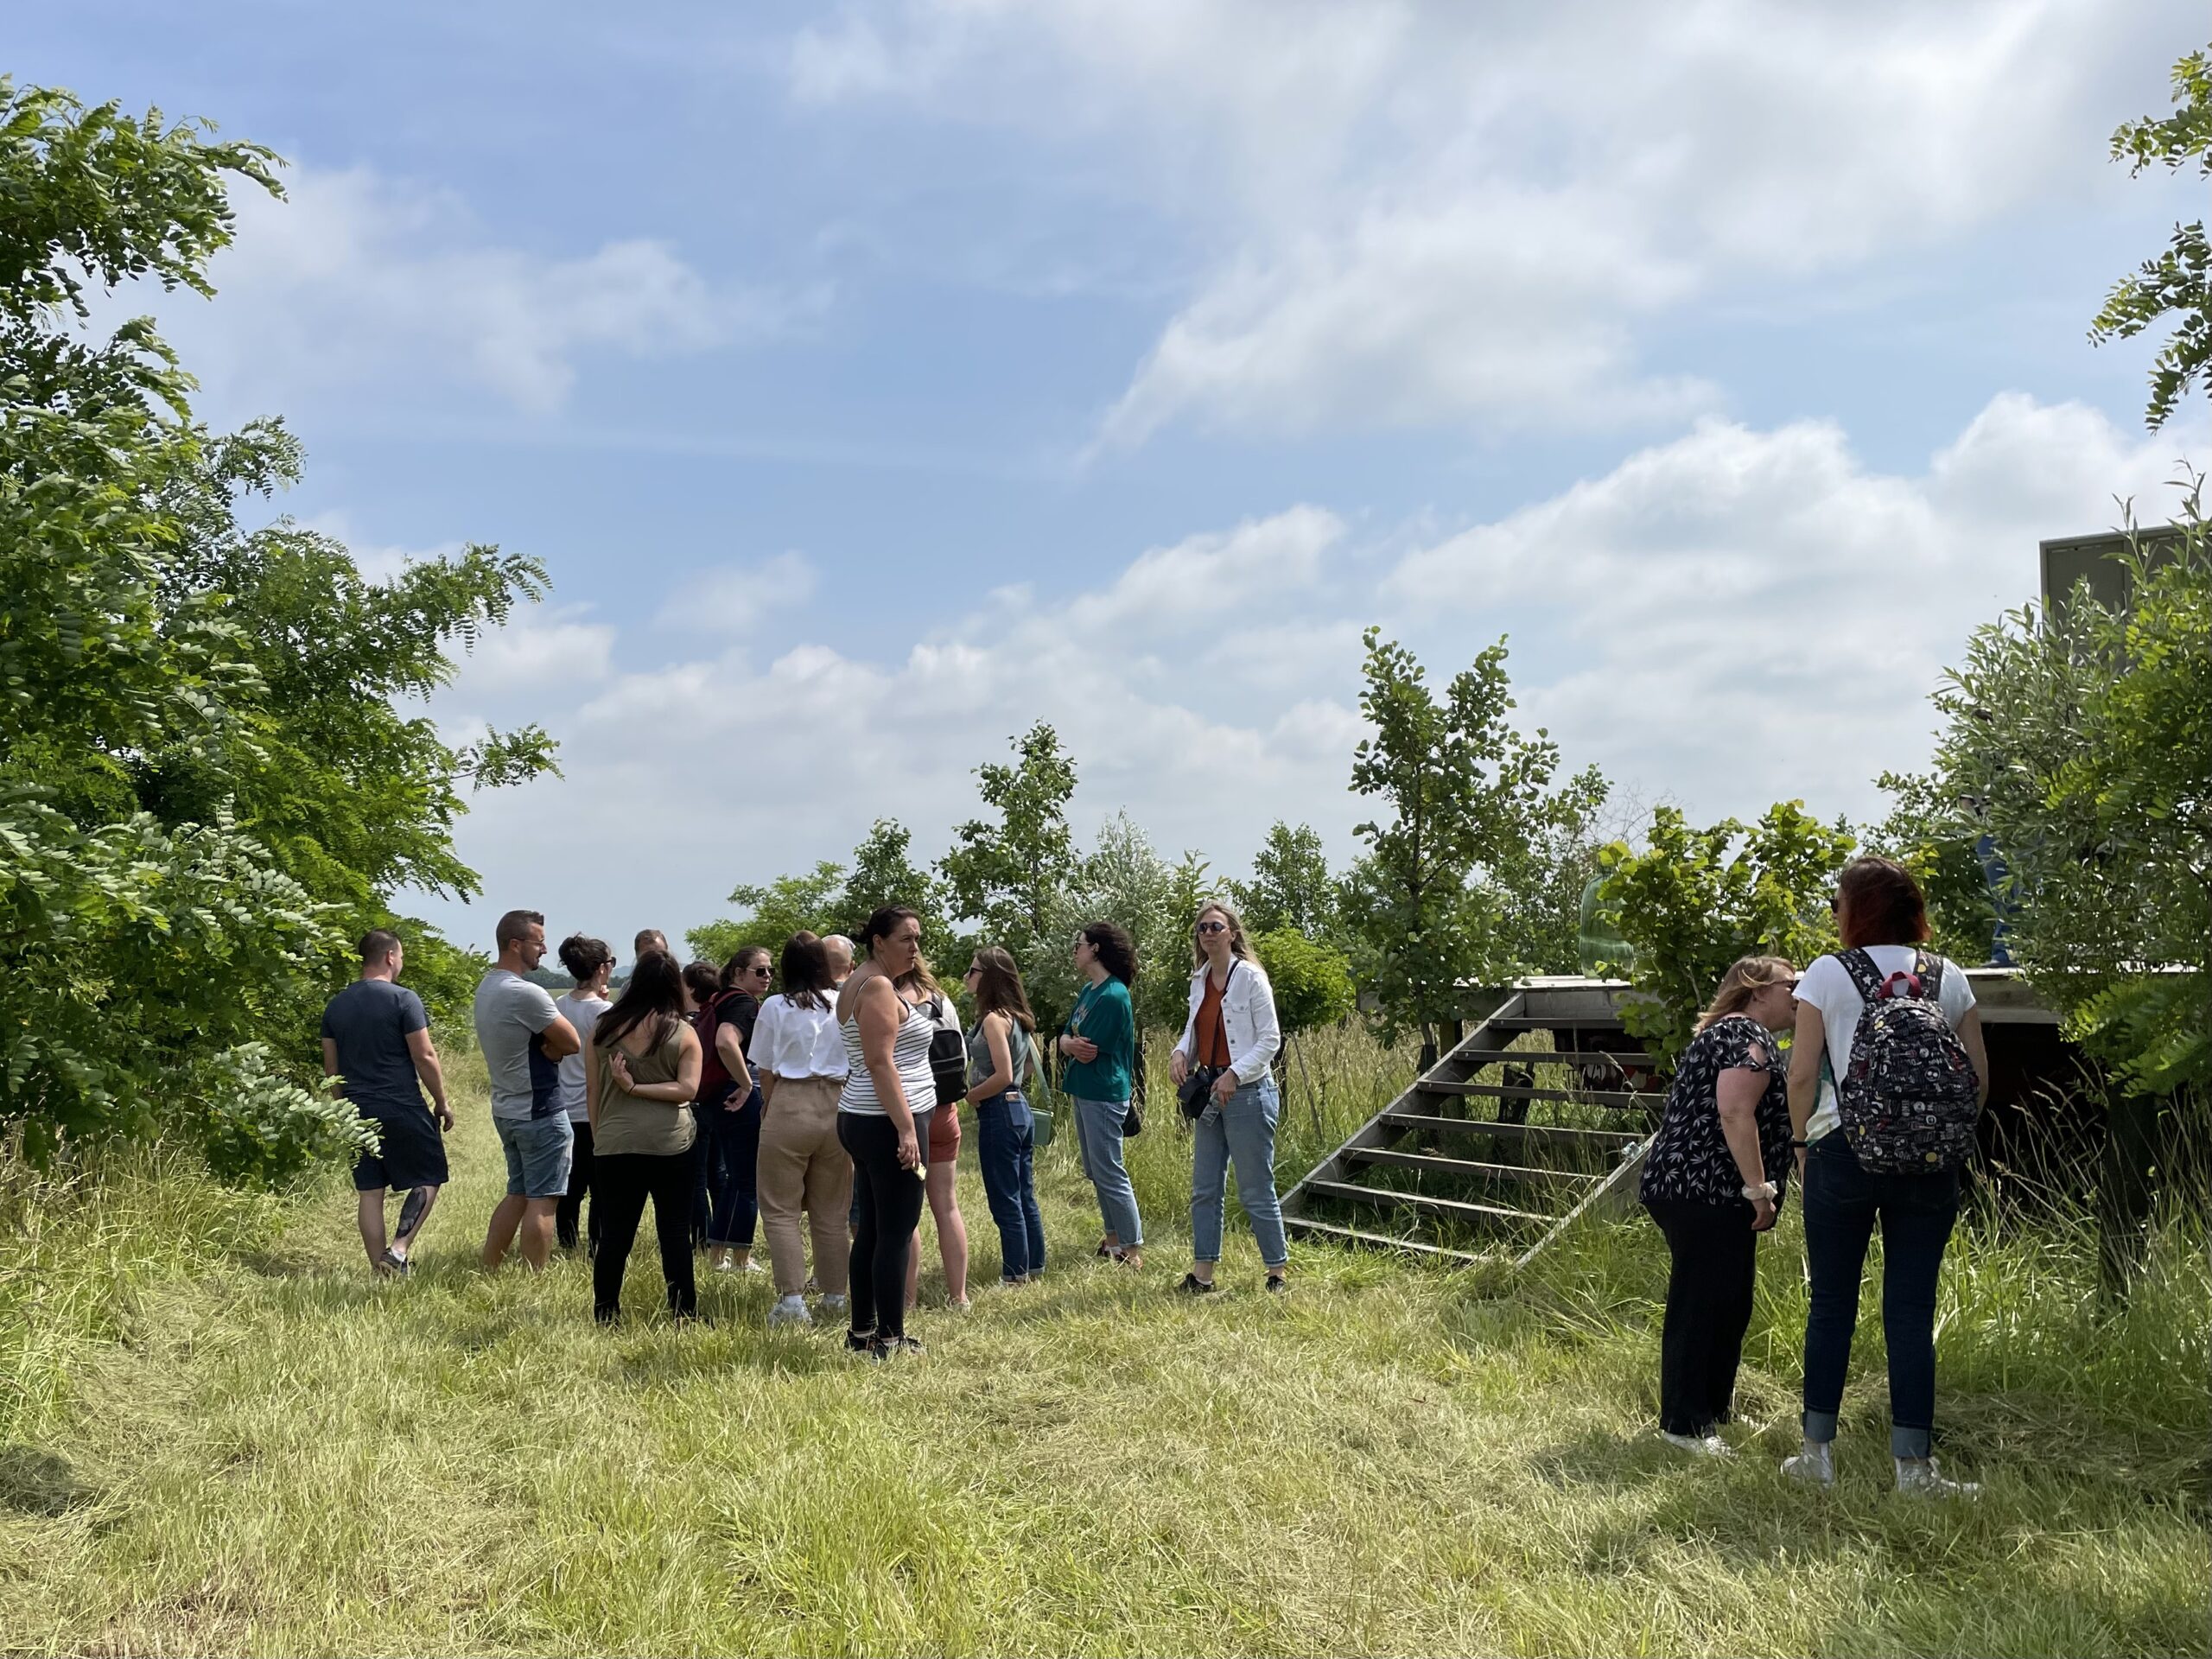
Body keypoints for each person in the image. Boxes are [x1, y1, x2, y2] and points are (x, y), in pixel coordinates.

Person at [1784, 856, 1990, 1497]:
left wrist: (1799, 1143)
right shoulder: (1948, 976)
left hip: (1840, 1150)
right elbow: (1977, 1079)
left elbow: (1800, 1073)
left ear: (1856, 909)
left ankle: (1817, 1456)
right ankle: (1914, 1469)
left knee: (1832, 1305)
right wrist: (1936, 1138)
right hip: (1929, 1163)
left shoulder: (1826, 973)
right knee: (1909, 1311)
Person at [1637, 956, 1799, 1454]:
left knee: (1729, 1300)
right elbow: (1734, 1110)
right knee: (1703, 1303)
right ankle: (1683, 1425)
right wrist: (1759, 1188)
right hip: (1705, 1191)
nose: (1799, 992)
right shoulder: (1743, 1036)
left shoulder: (1730, 1033)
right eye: (1790, 984)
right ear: (1757, 991)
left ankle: (1713, 1409)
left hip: (1696, 1190)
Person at [1168, 902, 1287, 1294]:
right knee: (1205, 1188)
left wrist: (1236, 1073)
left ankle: (1277, 1273)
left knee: (1254, 1188)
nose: (1207, 933)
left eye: (1215, 927)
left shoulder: (1251, 978)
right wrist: (1180, 1053)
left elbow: (1270, 1039)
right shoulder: (1199, 980)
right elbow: (1193, 1028)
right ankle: (1202, 1275)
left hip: (1249, 1092)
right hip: (1210, 1090)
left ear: (1232, 933)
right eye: (1201, 928)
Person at [836, 906, 938, 1358]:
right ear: (878, 941)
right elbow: (880, 1061)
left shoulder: (863, 982)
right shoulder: (876, 986)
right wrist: (906, 1130)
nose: (915, 948)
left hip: (867, 1116)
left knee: (875, 1229)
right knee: (896, 1230)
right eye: (905, 939)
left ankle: (862, 1333)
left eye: (917, 938)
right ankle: (890, 1339)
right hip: (887, 1120)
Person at [321, 929, 453, 1275]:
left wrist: (343, 1109)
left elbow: (331, 1069)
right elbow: (424, 1055)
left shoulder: (335, 1005)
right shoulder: (403, 999)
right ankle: (397, 1250)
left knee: (370, 1191)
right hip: (401, 1104)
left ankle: (381, 1268)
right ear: (390, 957)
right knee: (430, 1174)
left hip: (355, 1111)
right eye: (402, 956)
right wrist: (442, 1101)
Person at [586, 950, 703, 1323]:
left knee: (615, 1233)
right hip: (670, 1143)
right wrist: (636, 1088)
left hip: (615, 1142)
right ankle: (683, 1311)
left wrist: (599, 1136)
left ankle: (606, 1312)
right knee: (674, 1230)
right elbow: (688, 1090)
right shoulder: (682, 1032)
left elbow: (592, 1091)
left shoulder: (603, 1030)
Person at [752, 932, 854, 1325]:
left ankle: (793, 1300)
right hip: (836, 1103)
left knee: (780, 1209)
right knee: (832, 1211)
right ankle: (835, 1295)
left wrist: (770, 1108)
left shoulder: (775, 1007)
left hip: (791, 1099)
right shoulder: (840, 1004)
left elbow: (764, 1067)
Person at [474, 910, 580, 1272]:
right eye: (539, 942)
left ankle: (490, 1266)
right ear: (516, 945)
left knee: (517, 1192)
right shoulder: (525, 993)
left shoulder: (488, 986)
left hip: (506, 1107)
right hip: (540, 1110)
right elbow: (573, 1041)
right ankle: (535, 1277)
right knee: (543, 1200)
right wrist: (552, 1047)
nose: (545, 949)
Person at [962, 946, 1045, 1286]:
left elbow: (1004, 1074)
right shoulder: (1018, 1018)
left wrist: (972, 1095)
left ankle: (1015, 1273)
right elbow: (1028, 1066)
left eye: (973, 971)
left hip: (999, 1110)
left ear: (990, 977)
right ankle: (1034, 1264)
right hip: (1019, 1108)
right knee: (1024, 1192)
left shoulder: (995, 1019)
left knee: (1004, 1197)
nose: (967, 977)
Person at [1060, 919, 1141, 1268]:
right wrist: (1067, 1043)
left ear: (1095, 949)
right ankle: (1113, 1241)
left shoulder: (1113, 995)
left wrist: (1070, 1044)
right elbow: (1066, 1037)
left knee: (1110, 1170)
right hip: (1084, 1090)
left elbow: (1087, 1047)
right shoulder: (1089, 991)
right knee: (1096, 1170)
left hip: (1104, 1093)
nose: (1074, 951)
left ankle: (1132, 1249)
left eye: (1078, 944)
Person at [905, 963, 970, 1311]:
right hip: (946, 1112)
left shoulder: (895, 1002)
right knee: (947, 1207)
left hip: (911, 1116)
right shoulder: (944, 1002)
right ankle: (959, 1296)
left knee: (907, 1211)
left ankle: (907, 1299)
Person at [702, 947, 772, 1273]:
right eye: (760, 971)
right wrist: (746, 1085)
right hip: (736, 1095)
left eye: (770, 970)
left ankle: (718, 1256)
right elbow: (725, 1041)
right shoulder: (744, 1003)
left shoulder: (720, 998)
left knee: (733, 1178)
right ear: (739, 973)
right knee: (749, 1181)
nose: (768, 976)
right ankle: (741, 1260)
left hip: (717, 1096)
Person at [553, 936, 615, 1255]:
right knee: (601, 1188)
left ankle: (566, 1244)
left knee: (569, 1187)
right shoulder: (606, 1012)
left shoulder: (557, 1006)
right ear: (602, 969)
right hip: (598, 1109)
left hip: (561, 1108)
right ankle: (596, 1247)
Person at [680, 958, 727, 1252]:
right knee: (719, 1176)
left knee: (697, 1179)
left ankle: (701, 1241)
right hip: (720, 1101)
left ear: (692, 989)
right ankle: (723, 1236)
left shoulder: (692, 1025)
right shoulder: (721, 1015)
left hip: (696, 1102)